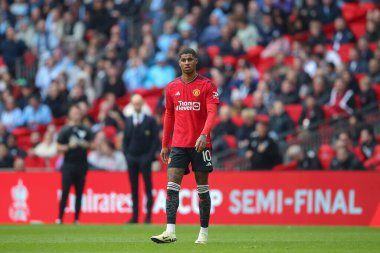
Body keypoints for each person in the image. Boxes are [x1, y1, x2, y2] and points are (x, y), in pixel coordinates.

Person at [151, 48, 219, 244]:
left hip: (200, 145)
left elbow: (212, 113)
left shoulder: (207, 85)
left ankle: (203, 234)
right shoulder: (172, 87)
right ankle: (170, 231)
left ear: (196, 61)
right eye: (183, 60)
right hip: (178, 145)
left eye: (190, 59)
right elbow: (169, 115)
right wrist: (165, 144)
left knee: (202, 189)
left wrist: (204, 135)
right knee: (172, 186)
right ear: (179, 63)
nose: (187, 62)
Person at [122, 94, 158, 224]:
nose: (136, 106)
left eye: (138, 103)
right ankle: (135, 216)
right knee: (134, 188)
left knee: (148, 187)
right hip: (132, 158)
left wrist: (149, 156)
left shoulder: (150, 120)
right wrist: (127, 155)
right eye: (134, 103)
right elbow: (125, 140)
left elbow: (155, 141)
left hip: (145, 158)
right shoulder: (129, 120)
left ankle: (148, 216)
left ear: (142, 104)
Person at [56, 105, 93, 224]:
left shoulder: (86, 129)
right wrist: (68, 147)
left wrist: (85, 145)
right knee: (65, 191)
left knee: (79, 192)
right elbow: (58, 147)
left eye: (78, 113)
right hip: (68, 165)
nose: (76, 115)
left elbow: (93, 145)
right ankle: (60, 218)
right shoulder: (65, 130)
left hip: (82, 165)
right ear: (70, 115)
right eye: (74, 113)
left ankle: (77, 219)